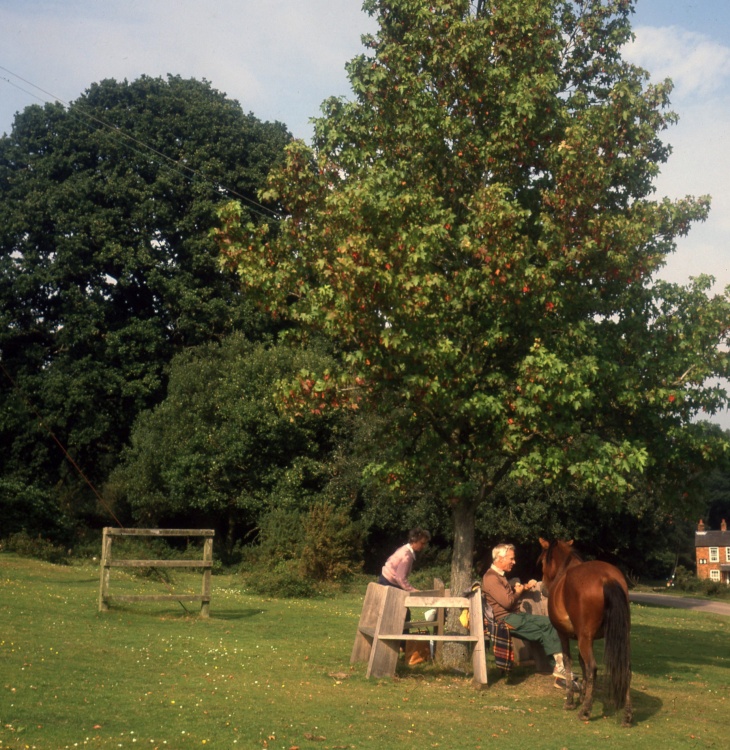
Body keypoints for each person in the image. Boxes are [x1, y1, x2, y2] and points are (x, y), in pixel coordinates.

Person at [481, 543, 574, 687]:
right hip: (505, 620)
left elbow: (507, 595)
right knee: (548, 625)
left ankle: (559, 670)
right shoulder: (491, 578)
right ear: (500, 558)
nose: (514, 562)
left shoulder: (498, 577)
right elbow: (507, 603)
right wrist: (518, 592)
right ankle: (560, 669)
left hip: (514, 616)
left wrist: (523, 587)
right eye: (511, 559)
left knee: (548, 625)